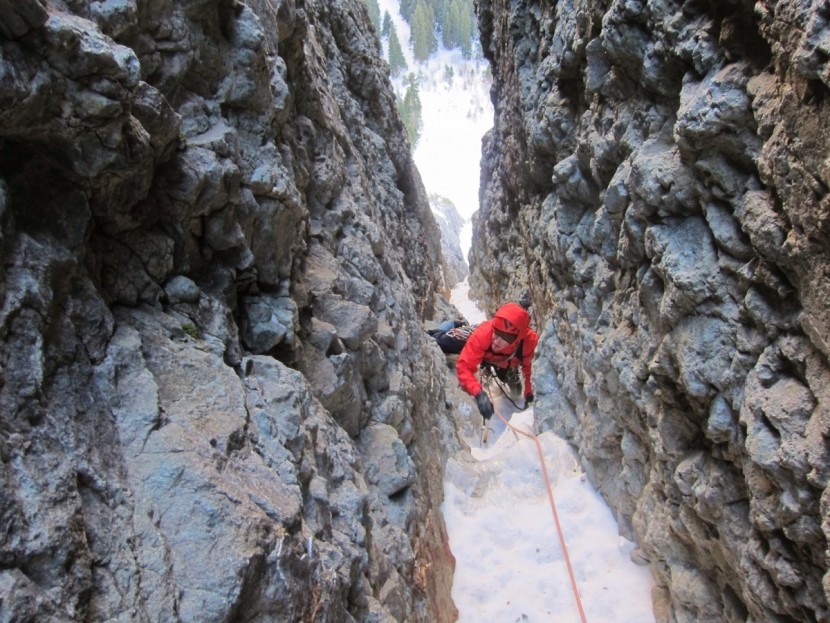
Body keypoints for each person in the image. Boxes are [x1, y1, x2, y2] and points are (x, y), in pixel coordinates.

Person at [455, 302, 539, 422]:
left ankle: (509, 374)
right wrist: (478, 392)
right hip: (480, 348)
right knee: (445, 341)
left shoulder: (529, 342)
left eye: (505, 337)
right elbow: (464, 366)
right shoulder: (485, 333)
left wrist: (529, 394)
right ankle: (454, 324)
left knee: (516, 391)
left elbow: (529, 369)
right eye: (496, 332)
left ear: (517, 339)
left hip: (506, 363)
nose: (496, 341)